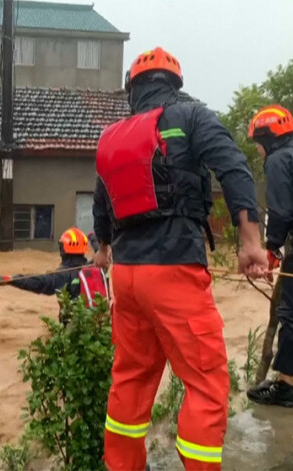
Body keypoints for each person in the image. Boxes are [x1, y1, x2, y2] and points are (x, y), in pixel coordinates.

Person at [93, 47, 268, 471]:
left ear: (132, 88)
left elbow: (102, 203)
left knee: (131, 380)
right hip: (174, 269)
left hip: (127, 276)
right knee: (207, 383)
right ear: (174, 85)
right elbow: (235, 171)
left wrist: (102, 249)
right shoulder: (191, 117)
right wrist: (250, 242)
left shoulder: (110, 136)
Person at [246, 104, 293, 407]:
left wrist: (272, 249)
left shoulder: (279, 160)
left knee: (291, 314)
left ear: (267, 139)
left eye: (258, 146)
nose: (260, 152)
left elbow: (281, 211)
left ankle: (286, 385)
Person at [0, 227, 108, 312]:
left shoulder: (62, 275)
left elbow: (37, 282)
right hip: (100, 325)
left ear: (63, 250)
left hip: (74, 330)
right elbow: (100, 250)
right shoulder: (98, 266)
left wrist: (11, 279)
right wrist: (93, 237)